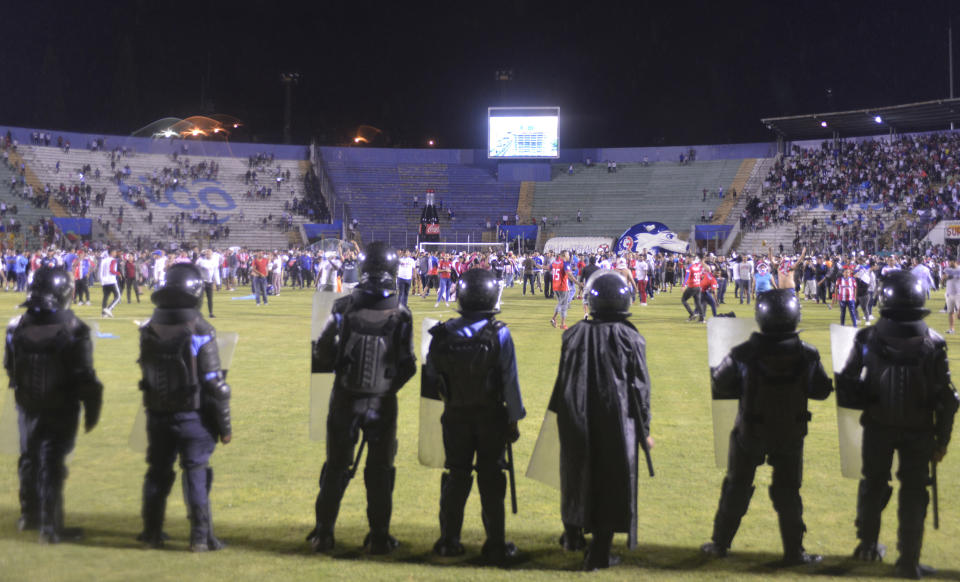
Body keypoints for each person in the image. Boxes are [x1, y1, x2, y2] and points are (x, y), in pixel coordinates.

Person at [836, 271, 958, 579]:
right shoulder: (934, 342)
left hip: (877, 425)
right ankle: (908, 561)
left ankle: (867, 545)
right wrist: (942, 440)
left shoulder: (867, 338)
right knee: (914, 491)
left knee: (873, 483)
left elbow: (846, 383)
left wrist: (868, 398)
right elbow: (948, 398)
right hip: (919, 430)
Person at [701, 289, 832, 565]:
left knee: (736, 487)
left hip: (750, 431)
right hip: (790, 432)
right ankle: (794, 552)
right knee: (788, 492)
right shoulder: (806, 353)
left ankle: (720, 544)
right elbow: (821, 390)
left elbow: (720, 383)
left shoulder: (744, 352)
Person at [307, 242, 417, 554]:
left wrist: (342, 371)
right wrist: (387, 388)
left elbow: (323, 352)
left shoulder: (343, 308)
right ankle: (379, 537)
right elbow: (408, 365)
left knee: (336, 468)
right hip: (382, 404)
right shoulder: (401, 313)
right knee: (381, 472)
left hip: (345, 400)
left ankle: (324, 534)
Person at [549, 270, 653, 570]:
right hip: (615, 420)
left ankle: (572, 535)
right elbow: (640, 388)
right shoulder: (630, 337)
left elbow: (564, 378)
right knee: (611, 481)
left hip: (574, 415)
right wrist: (644, 428)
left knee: (575, 472)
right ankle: (599, 553)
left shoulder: (573, 334)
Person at [422, 268, 525, 564]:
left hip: (454, 417)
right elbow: (511, 382)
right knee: (492, 479)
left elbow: (431, 377)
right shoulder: (500, 333)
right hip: (491, 417)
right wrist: (513, 421)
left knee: (456, 476)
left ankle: (448, 540)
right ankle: (495, 544)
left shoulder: (442, 333)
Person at [137, 263, 232, 551]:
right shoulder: (201, 329)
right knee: (196, 473)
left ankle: (151, 531)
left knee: (157, 472)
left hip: (157, 413)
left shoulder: (149, 327)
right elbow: (216, 385)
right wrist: (225, 426)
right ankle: (201, 537)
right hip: (193, 416)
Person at [5, 267, 102, 543]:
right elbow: (84, 375)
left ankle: (30, 516)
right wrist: (92, 405)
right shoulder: (75, 329)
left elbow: (9, 367)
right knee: (52, 463)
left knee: (29, 458)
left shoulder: (16, 325)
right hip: (61, 405)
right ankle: (50, 527)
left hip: (26, 403)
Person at [550, 251, 577, 329]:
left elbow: (548, 267)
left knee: (561, 303)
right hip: (563, 287)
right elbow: (569, 275)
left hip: (555, 286)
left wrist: (539, 266)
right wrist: (578, 283)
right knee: (564, 305)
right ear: (565, 255)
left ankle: (554, 319)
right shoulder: (565, 264)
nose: (569, 256)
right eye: (568, 254)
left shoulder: (555, 263)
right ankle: (562, 324)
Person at [99, 248, 121, 317]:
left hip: (104, 281)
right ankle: (109, 309)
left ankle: (103, 314)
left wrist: (101, 280)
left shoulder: (103, 260)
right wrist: (118, 273)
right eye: (115, 252)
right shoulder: (113, 260)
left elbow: (100, 271)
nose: (116, 253)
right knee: (118, 296)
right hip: (111, 280)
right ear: (111, 253)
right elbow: (111, 270)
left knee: (105, 297)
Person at [944, 259, 960, 334]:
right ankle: (952, 329)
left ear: (954, 261)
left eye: (950, 261)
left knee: (959, 314)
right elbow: (942, 279)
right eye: (948, 262)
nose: (949, 263)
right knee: (950, 312)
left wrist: (953, 276)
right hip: (949, 293)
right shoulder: (947, 269)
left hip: (958, 293)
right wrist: (945, 277)